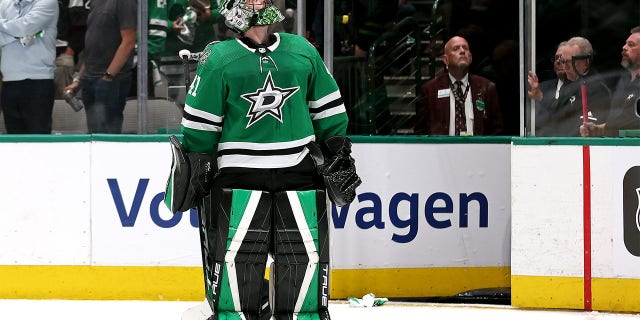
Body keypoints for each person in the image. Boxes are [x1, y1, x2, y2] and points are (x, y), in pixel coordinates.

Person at [163, 1, 360, 320]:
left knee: (304, 265)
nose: (257, 2)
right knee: (237, 270)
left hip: (299, 173)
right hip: (238, 176)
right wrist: (199, 165)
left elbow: (329, 110)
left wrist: (337, 150)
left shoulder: (301, 49)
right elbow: (199, 127)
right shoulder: (220, 57)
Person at [64, 0, 136, 133]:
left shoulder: (124, 2)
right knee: (93, 134)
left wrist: (108, 76)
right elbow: (92, 46)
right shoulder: (95, 2)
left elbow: (129, 42)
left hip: (111, 80)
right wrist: (78, 80)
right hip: (90, 78)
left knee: (108, 137)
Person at [414, 36, 503, 136]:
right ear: (445, 59)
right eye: (456, 49)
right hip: (442, 149)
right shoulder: (430, 90)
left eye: (465, 48)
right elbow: (420, 131)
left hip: (477, 149)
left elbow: (496, 129)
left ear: (470, 57)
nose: (462, 51)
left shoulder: (487, 87)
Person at [0, 0, 58, 134]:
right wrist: (19, 35)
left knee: (38, 142)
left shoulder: (47, 2)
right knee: (14, 142)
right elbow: (21, 30)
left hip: (38, 82)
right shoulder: (4, 4)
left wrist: (17, 30)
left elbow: (24, 27)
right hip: (9, 82)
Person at [544, 36, 610, 136]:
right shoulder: (566, 87)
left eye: (569, 62)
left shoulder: (598, 90)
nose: (565, 67)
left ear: (586, 62)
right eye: (563, 62)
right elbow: (553, 123)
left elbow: (586, 131)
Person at [581, 26, 640, 137]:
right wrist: (597, 130)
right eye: (625, 43)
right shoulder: (623, 81)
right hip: (616, 150)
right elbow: (618, 122)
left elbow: (632, 125)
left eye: (631, 45)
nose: (624, 47)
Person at [528, 41, 569, 136]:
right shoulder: (541, 88)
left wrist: (542, 98)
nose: (558, 61)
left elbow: (567, 122)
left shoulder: (583, 87)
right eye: (556, 58)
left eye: (562, 58)